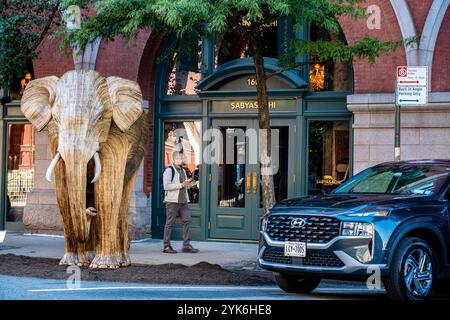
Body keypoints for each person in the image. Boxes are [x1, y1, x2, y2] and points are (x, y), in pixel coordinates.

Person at [162, 151, 199, 253]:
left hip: (183, 200)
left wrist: (190, 185)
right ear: (174, 159)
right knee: (169, 223)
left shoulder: (183, 170)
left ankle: (186, 245)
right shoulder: (169, 171)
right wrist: (181, 185)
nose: (181, 159)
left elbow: (184, 185)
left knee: (187, 220)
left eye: (182, 158)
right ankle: (166, 246)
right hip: (172, 201)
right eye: (179, 158)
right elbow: (166, 186)